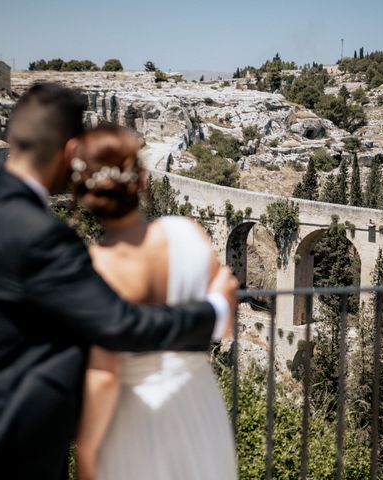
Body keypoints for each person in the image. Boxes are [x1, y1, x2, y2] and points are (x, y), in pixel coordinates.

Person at [0, 83, 238, 480]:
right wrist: (215, 310)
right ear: (69, 153)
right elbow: (122, 324)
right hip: (8, 458)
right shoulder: (40, 235)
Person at [72, 126, 237, 480]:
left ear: (83, 194)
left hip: (134, 424)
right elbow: (223, 322)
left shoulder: (94, 267)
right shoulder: (188, 233)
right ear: (142, 180)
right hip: (200, 412)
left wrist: (86, 454)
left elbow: (105, 376)